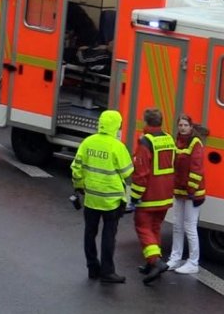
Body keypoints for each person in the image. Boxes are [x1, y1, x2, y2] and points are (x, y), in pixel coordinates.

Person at [70, 109, 133, 284]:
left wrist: (79, 186)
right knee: (108, 235)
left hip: (91, 198)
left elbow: (76, 168)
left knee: (89, 233)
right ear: (116, 127)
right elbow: (128, 172)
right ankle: (107, 271)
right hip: (111, 200)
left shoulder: (88, 142)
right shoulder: (117, 146)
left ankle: (92, 267)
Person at [130, 107, 176, 284]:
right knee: (155, 227)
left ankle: (155, 262)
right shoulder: (169, 139)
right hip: (165, 194)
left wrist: (134, 197)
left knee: (143, 227)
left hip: (150, 195)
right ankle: (151, 264)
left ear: (145, 122)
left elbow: (141, 174)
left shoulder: (145, 142)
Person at [167, 118, 206, 275]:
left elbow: (197, 168)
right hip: (180, 191)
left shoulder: (195, 143)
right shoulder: (177, 141)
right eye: (180, 125)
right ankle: (175, 258)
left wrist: (191, 189)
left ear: (191, 127)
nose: (182, 128)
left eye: (185, 125)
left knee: (190, 227)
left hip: (193, 193)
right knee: (177, 225)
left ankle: (193, 262)